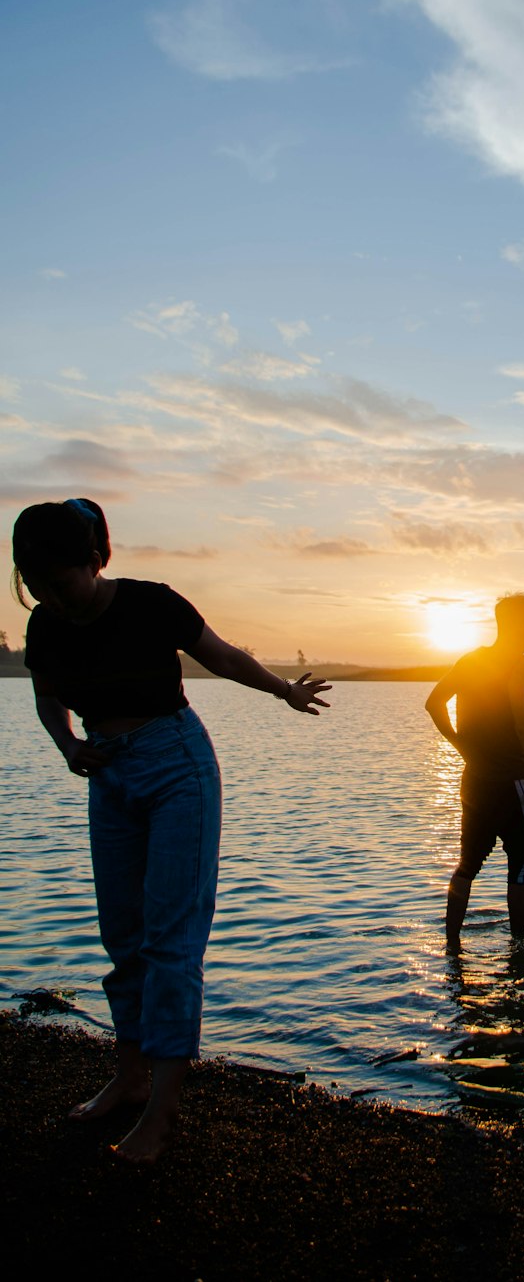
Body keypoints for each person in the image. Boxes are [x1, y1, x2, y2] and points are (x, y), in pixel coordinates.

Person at [12, 498, 331, 1163]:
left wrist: (284, 692)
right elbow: (46, 694)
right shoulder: (46, 626)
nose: (52, 597)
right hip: (107, 775)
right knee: (122, 937)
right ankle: (127, 1080)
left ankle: (160, 1114)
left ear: (95, 560)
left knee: (171, 941)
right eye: (36, 587)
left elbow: (221, 657)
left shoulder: (151, 603)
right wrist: (67, 745)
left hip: (176, 768)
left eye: (62, 582)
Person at [425, 593, 524, 941]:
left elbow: (433, 703)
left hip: (475, 781)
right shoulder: (519, 663)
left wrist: (461, 746)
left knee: (467, 866)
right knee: (521, 868)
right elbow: (523, 724)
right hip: (512, 781)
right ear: (514, 625)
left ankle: (451, 944)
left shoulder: (470, 660)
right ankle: (519, 950)